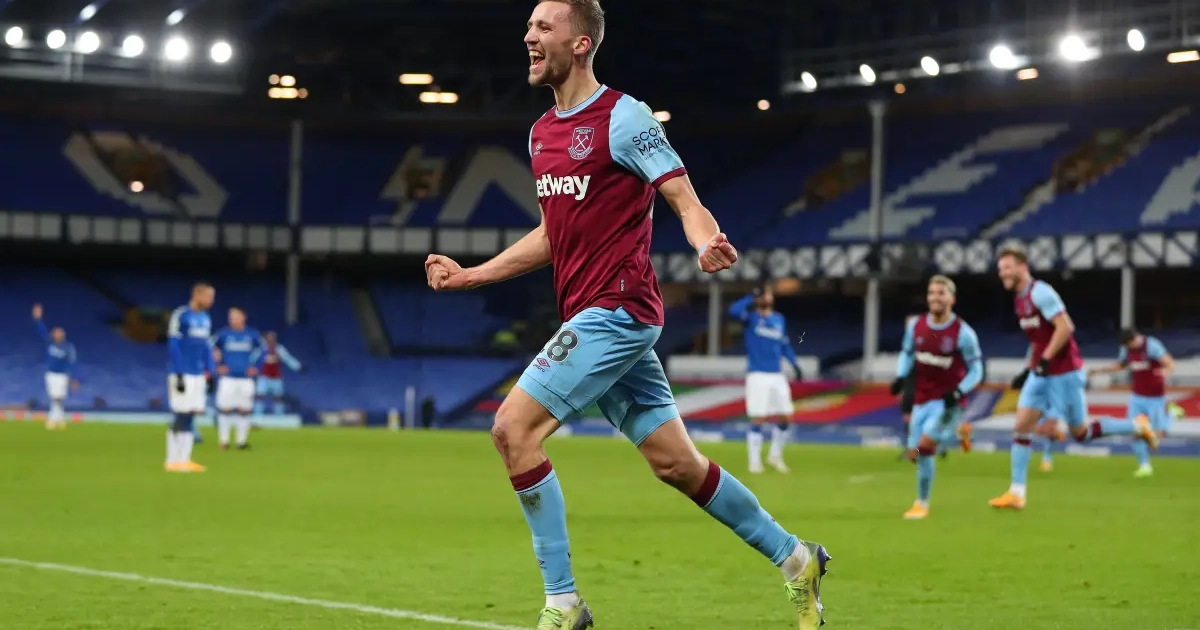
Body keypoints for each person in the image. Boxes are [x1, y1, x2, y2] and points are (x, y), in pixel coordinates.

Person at [423, 2, 830, 627]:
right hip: (592, 315)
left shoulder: (623, 116)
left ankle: (564, 603)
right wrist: (472, 274)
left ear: (581, 43)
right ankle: (797, 558)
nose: (529, 36)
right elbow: (553, 234)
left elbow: (683, 198)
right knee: (677, 465)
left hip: (616, 310)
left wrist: (704, 240)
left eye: (544, 27)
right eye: (528, 26)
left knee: (512, 430)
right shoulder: (541, 134)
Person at [989, 248, 1156, 510]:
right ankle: (1016, 493)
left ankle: (1137, 426)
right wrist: (1029, 368)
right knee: (1021, 426)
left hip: (1065, 372)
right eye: (1000, 270)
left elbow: (1065, 327)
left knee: (1081, 432)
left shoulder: (1040, 292)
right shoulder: (1019, 299)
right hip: (1041, 373)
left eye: (1007, 268)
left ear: (1023, 267)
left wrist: (1045, 359)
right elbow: (1039, 339)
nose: (1003, 274)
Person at [890, 276, 983, 520]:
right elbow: (907, 353)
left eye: (941, 293)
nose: (935, 297)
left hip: (947, 401)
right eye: (931, 293)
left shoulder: (963, 333)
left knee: (925, 446)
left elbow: (977, 370)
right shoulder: (916, 326)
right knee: (915, 453)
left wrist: (960, 391)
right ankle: (959, 435)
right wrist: (900, 376)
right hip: (921, 399)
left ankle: (921, 503)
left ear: (952, 299)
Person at [728, 285, 803, 474]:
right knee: (759, 417)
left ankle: (775, 456)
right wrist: (750, 297)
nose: (764, 297)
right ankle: (754, 462)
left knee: (786, 415)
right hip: (757, 374)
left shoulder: (779, 319)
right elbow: (733, 311)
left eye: (766, 294)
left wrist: (794, 364)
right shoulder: (750, 318)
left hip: (777, 374)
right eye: (762, 295)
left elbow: (784, 344)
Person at [1088, 328, 1178, 477]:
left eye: (1128, 345)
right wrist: (1099, 370)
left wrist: (1165, 372)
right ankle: (1144, 465)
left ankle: (1172, 414)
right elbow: (1120, 366)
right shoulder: (1127, 349)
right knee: (1135, 430)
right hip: (1137, 397)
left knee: (1157, 437)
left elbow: (1170, 363)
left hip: (1155, 397)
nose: (1127, 348)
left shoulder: (1151, 346)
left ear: (1135, 339)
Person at [166, 283, 216, 473]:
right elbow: (173, 344)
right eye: (209, 296)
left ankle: (184, 460)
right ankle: (171, 460)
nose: (211, 301)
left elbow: (206, 347)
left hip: (198, 374)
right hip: (182, 373)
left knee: (191, 414)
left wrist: (210, 372)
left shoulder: (205, 318)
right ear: (197, 295)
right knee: (180, 414)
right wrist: (179, 372)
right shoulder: (181, 315)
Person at [210, 308, 266, 451]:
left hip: (246, 379)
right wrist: (217, 365)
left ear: (243, 317)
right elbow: (210, 347)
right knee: (225, 409)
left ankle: (241, 442)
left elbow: (263, 349)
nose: (232, 319)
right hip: (228, 378)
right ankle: (224, 441)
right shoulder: (223, 334)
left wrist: (256, 367)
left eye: (235, 316)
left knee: (244, 410)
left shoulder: (252, 334)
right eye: (231, 317)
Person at [31, 304, 78, 430]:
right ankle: (58, 419)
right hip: (51, 373)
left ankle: (54, 419)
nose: (57, 334)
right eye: (55, 332)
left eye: (59, 332)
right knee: (54, 397)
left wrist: (73, 378)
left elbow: (72, 363)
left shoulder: (68, 347)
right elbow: (41, 331)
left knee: (58, 398)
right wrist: (38, 319)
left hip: (62, 375)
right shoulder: (50, 343)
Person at [254, 331, 303, 418]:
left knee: (278, 397)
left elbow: (288, 359)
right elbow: (252, 360)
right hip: (263, 377)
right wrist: (247, 368)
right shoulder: (260, 350)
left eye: (272, 338)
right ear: (265, 339)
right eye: (268, 338)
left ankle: (279, 417)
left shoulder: (279, 349)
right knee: (259, 396)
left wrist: (298, 366)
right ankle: (257, 416)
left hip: (276, 378)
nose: (270, 340)